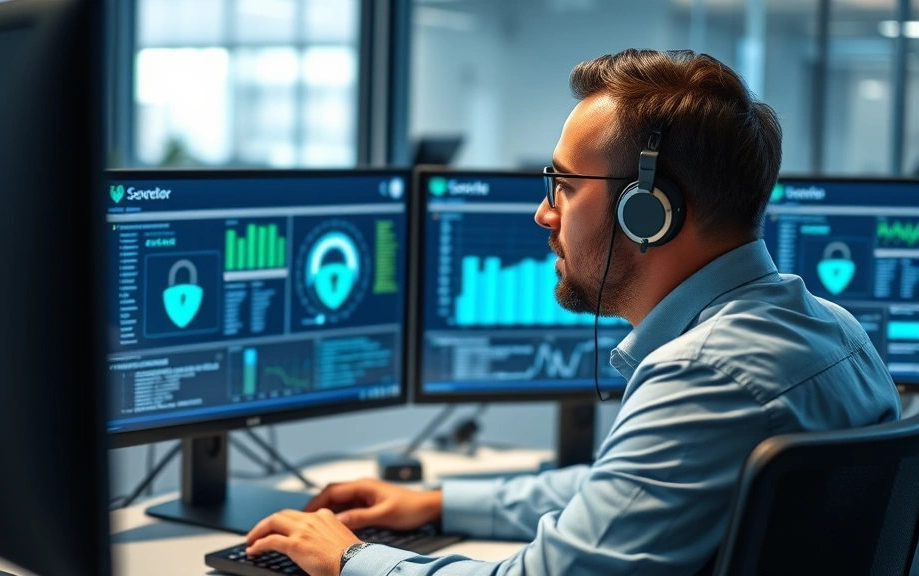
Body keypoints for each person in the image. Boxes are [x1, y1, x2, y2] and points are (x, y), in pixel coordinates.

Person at [243, 49, 901, 576]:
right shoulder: (834, 331)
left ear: (647, 211)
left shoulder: (707, 376)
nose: (543, 214)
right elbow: (628, 494)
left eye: (563, 185)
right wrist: (440, 501)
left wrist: (352, 561)